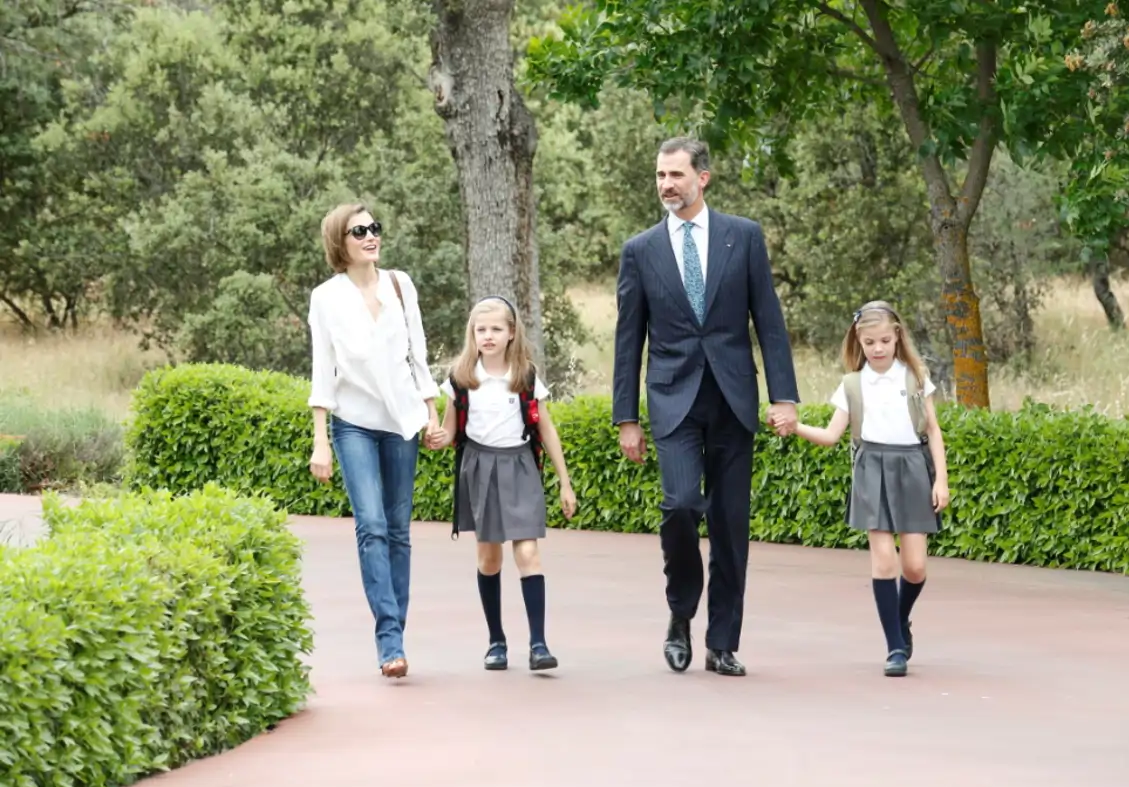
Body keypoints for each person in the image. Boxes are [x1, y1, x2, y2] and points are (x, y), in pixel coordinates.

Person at [612, 136, 799, 677]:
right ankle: (680, 613)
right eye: (660, 176)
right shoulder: (640, 250)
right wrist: (627, 417)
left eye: (675, 175)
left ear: (703, 178)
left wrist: (783, 396)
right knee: (679, 506)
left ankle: (721, 643)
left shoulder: (743, 238)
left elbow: (769, 321)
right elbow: (628, 342)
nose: (666, 185)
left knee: (729, 524)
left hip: (734, 398)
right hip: (672, 400)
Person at [306, 202, 443, 680]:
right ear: (339, 243)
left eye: (373, 228)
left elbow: (417, 357)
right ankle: (389, 638)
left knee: (399, 530)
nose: (370, 236)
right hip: (353, 423)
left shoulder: (401, 285)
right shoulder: (325, 298)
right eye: (358, 230)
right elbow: (323, 369)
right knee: (371, 526)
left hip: (402, 422)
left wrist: (431, 415)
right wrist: (320, 440)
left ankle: (394, 636)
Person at [791, 300, 950, 677]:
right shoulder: (852, 385)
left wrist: (940, 480)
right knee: (884, 561)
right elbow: (831, 435)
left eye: (883, 340)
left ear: (897, 337)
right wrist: (794, 426)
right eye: (869, 343)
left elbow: (933, 431)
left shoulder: (914, 377)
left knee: (913, 567)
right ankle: (895, 647)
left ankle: (900, 618)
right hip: (871, 470)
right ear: (858, 343)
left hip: (912, 467)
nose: (877, 349)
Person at [427, 296, 577, 671]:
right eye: (481, 330)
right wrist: (436, 437)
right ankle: (496, 641)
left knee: (528, 554)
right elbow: (449, 430)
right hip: (479, 468)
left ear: (511, 333)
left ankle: (539, 644)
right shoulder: (461, 379)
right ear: (472, 335)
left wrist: (565, 482)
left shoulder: (525, 376)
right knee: (489, 558)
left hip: (521, 466)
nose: (488, 336)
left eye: (496, 329)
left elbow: (546, 427)